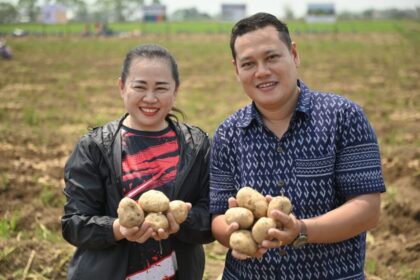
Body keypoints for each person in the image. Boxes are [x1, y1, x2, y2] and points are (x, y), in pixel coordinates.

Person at [210, 12, 386, 280]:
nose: (262, 72)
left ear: (293, 54)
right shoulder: (227, 134)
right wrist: (234, 232)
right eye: (248, 64)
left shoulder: (344, 117)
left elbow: (367, 209)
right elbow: (217, 217)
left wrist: (301, 230)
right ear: (236, 69)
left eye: (272, 57)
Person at [62, 43, 214, 280]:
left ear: (176, 90)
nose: (150, 98)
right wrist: (118, 229)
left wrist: (182, 221)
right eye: (140, 87)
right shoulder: (94, 147)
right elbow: (74, 224)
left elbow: (211, 215)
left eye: (161, 88)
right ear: (122, 87)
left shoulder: (197, 146)